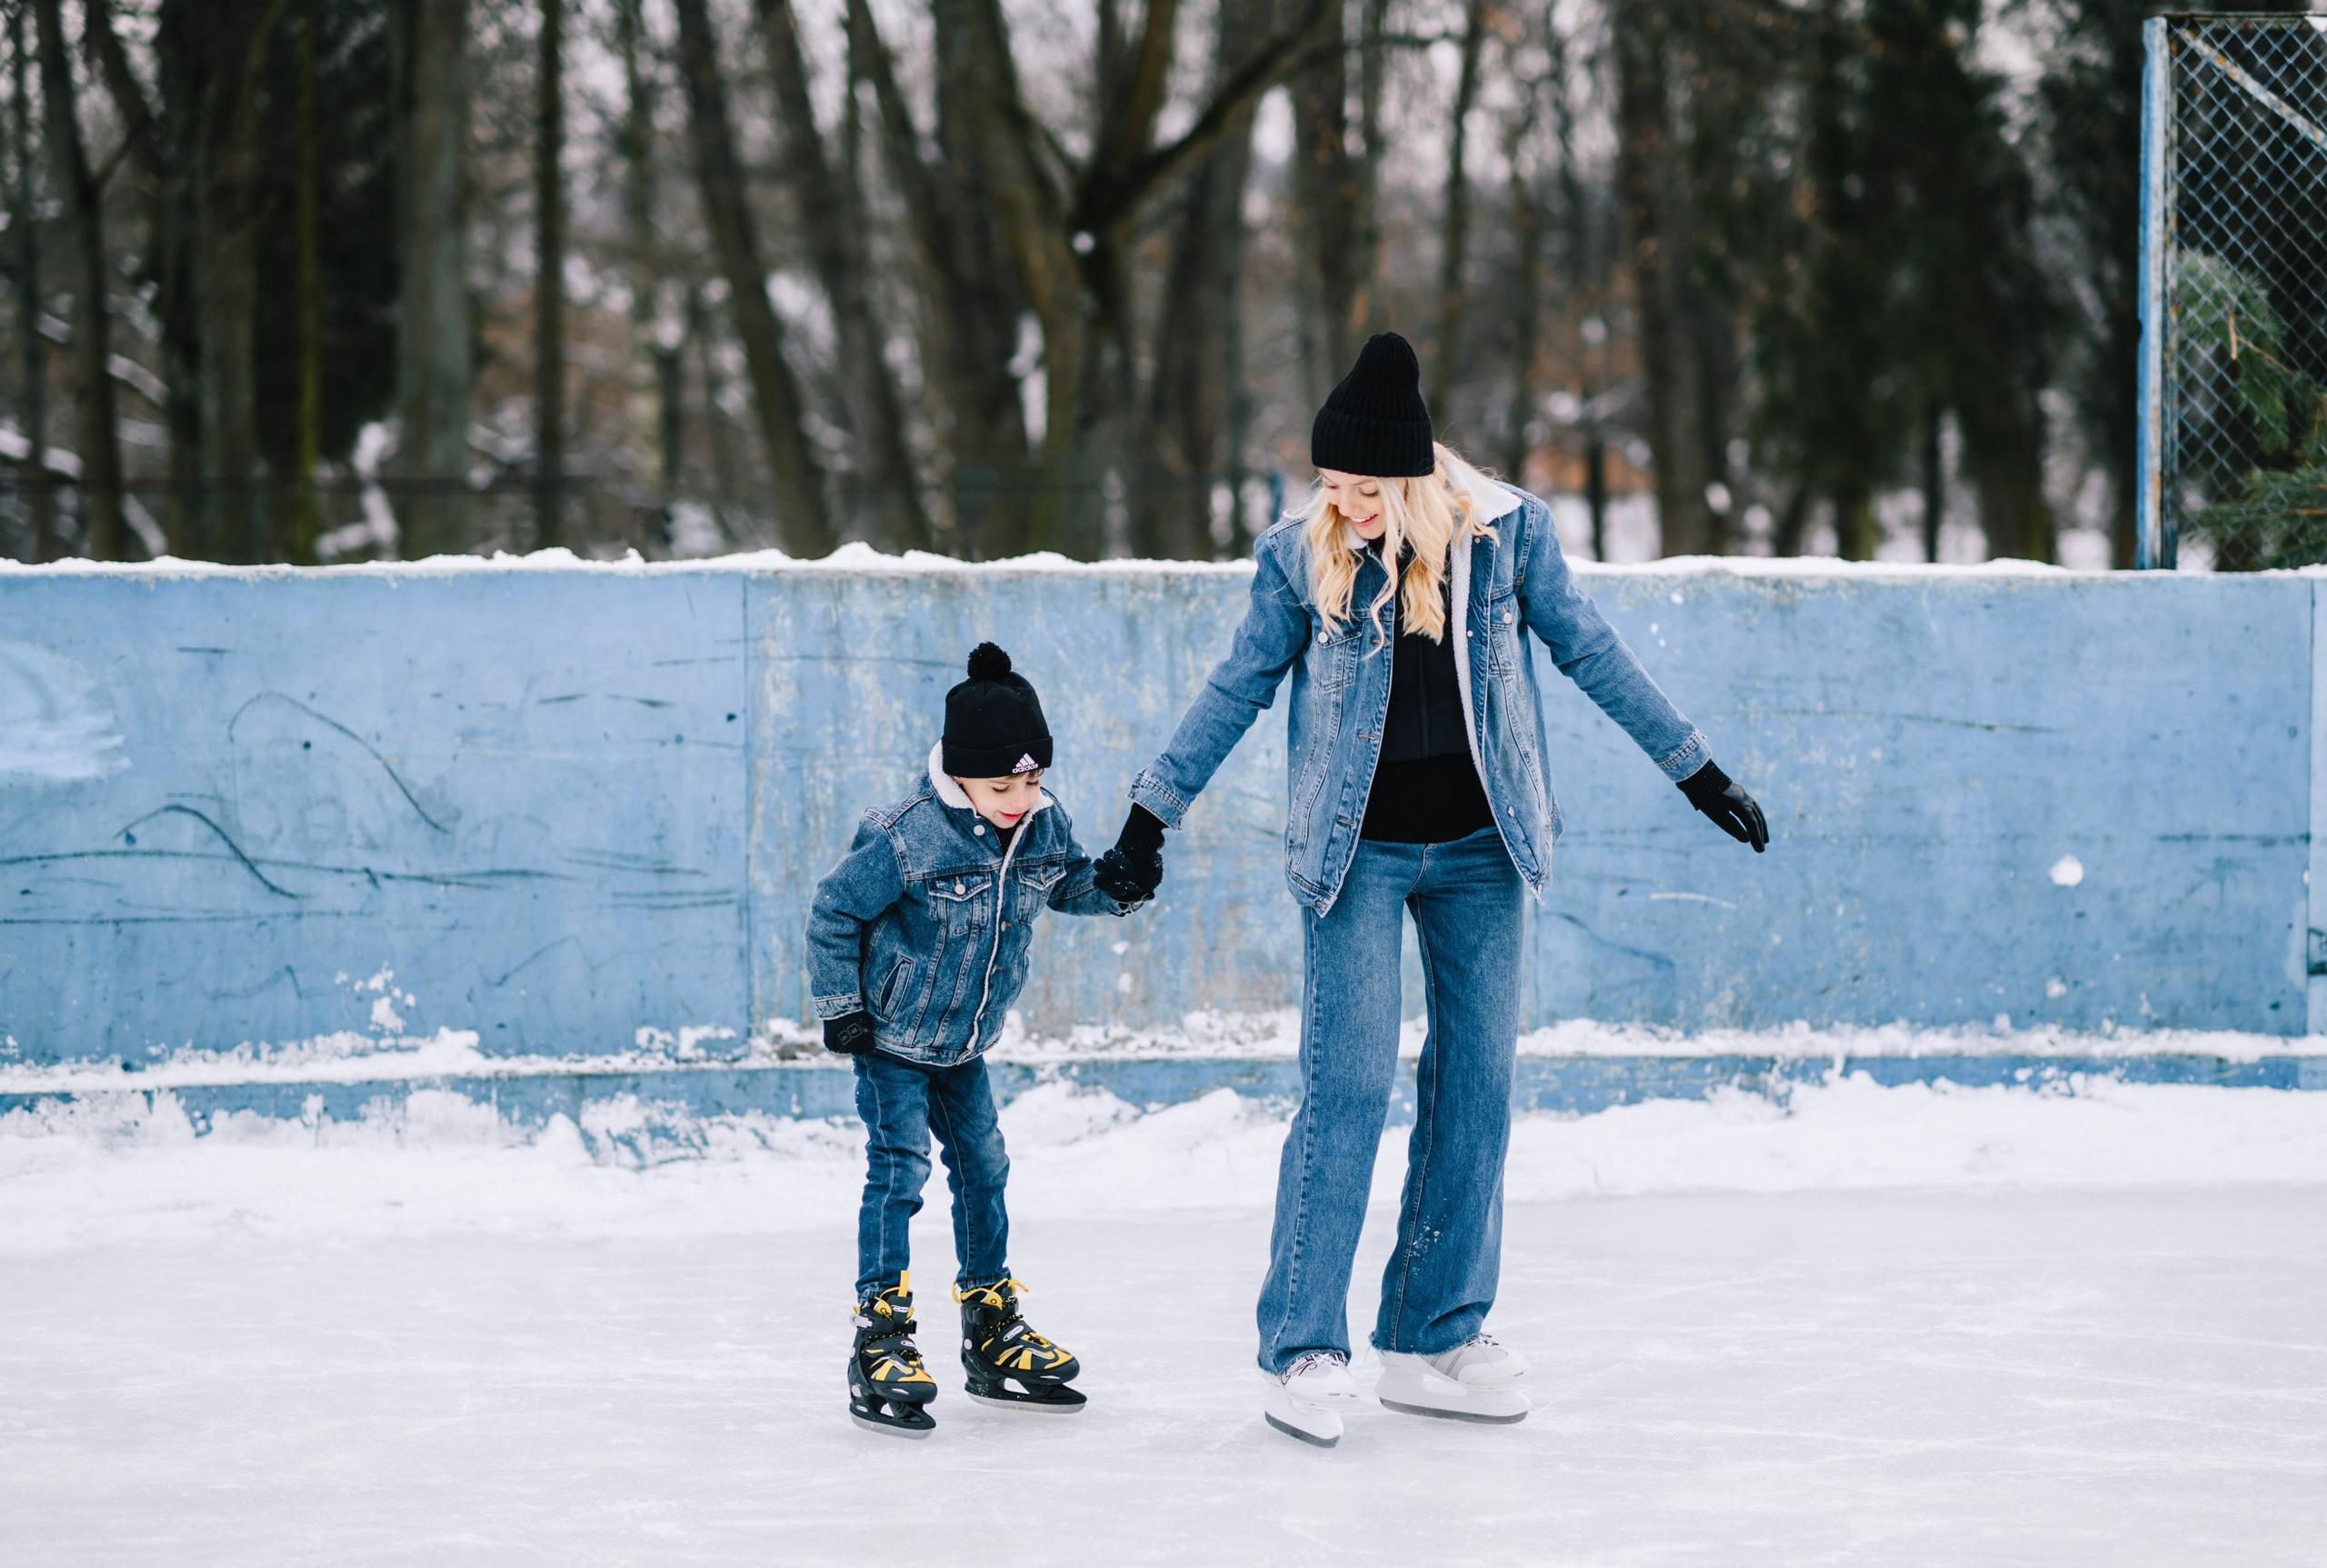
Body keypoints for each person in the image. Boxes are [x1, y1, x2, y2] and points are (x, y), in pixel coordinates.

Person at [1092, 333, 1769, 1449]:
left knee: (1476, 1087)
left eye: (1368, 488)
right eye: (1332, 484)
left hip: (1480, 849)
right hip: (1352, 854)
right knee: (1346, 1088)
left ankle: (1435, 1331)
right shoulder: (1295, 556)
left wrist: (1696, 769)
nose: (1348, 505)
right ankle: (1304, 1346)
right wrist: (1148, 812)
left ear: (1418, 477)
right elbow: (1237, 685)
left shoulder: (1507, 543)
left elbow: (1590, 651)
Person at [808, 643, 1152, 1437]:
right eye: (1002, 784)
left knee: (985, 1170)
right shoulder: (904, 835)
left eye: (1031, 780)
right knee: (899, 1172)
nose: (1019, 797)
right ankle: (881, 1337)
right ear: (957, 773)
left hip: (965, 1044)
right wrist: (842, 1010)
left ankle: (991, 1328)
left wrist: (1119, 884)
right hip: (890, 1036)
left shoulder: (1041, 821)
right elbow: (833, 912)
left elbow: (1066, 885)